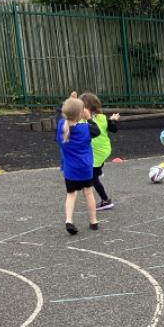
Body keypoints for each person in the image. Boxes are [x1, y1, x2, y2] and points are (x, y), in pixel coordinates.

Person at [56, 97, 100, 235]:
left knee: (70, 194)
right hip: (85, 168)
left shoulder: (61, 126)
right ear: (81, 113)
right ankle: (93, 221)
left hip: (70, 169)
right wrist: (89, 118)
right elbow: (97, 131)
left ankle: (69, 220)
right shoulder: (86, 128)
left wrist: (71, 101)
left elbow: (60, 114)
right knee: (88, 193)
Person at [79, 92, 119, 211]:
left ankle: (106, 201)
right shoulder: (102, 117)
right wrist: (113, 120)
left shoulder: (83, 122)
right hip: (105, 150)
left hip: (96, 154)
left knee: (93, 178)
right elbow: (114, 129)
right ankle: (99, 170)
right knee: (96, 166)